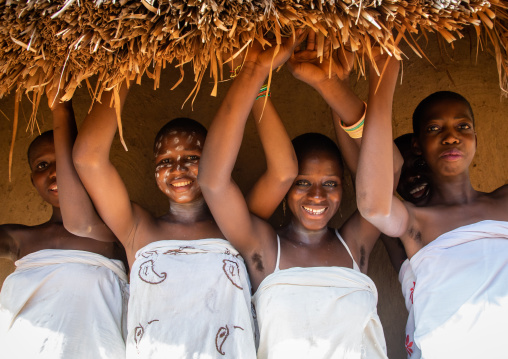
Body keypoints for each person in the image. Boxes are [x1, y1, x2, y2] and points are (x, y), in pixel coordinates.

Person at [72, 71, 296, 357]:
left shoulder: (237, 222)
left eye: (192, 158)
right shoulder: (137, 229)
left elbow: (283, 172)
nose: (177, 169)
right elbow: (87, 159)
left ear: (213, 161)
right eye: (165, 161)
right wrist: (124, 71)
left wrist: (256, 84)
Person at [199, 32, 390, 358]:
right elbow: (214, 183)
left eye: (330, 183)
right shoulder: (263, 247)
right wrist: (255, 74)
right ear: (286, 190)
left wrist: (329, 85)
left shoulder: (355, 243)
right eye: (302, 183)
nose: (317, 195)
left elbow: (384, 176)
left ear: (346, 187)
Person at [356, 51, 508, 359]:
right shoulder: (415, 223)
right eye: (435, 128)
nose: (452, 137)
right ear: (418, 144)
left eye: (463, 126)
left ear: (476, 137)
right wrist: (382, 80)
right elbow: (374, 205)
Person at [0, 82, 128, 358]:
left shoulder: (115, 233)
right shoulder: (16, 239)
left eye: (63, 161)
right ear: (32, 180)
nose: (56, 173)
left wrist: (61, 109)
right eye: (42, 165)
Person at [379, 133, 431, 358]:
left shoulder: (476, 226)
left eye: (420, 164)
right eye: (400, 173)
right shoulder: (398, 234)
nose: (411, 177)